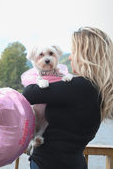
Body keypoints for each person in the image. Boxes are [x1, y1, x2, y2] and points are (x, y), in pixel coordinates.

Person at [23, 27, 113, 169]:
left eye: (74, 52)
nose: (70, 57)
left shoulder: (79, 87)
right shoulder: (100, 89)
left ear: (85, 56)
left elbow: (29, 93)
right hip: (75, 162)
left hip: (49, 164)